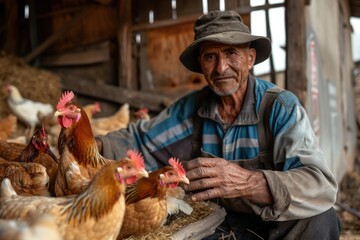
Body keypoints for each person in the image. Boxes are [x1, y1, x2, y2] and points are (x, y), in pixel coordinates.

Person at [96, 10, 340, 239]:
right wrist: (85, 146)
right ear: (201, 64)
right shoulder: (190, 109)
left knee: (320, 218)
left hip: (273, 225)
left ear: (250, 58)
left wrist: (248, 182)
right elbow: (138, 140)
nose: (221, 68)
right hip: (217, 225)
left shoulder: (280, 108)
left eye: (231, 53)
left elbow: (318, 183)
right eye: (210, 57)